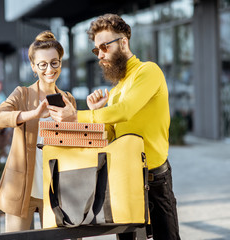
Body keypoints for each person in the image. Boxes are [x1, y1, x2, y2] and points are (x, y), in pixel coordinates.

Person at [48, 14, 180, 240]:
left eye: (103, 47)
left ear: (123, 42)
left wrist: (77, 116)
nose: (100, 55)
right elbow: (113, 137)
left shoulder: (148, 71)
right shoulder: (118, 88)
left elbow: (126, 110)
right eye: (96, 50)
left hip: (154, 179)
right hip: (125, 177)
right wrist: (100, 114)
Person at [0, 30, 77, 232]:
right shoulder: (22, 94)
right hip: (21, 188)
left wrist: (91, 114)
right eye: (42, 64)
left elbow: (77, 142)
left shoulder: (68, 99)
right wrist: (32, 114)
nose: (49, 69)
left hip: (56, 189)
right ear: (33, 67)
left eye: (54, 62)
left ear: (61, 63)